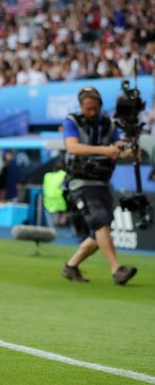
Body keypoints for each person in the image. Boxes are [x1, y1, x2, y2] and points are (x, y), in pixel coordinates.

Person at [61, 86, 137, 285]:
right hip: (80, 181)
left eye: (95, 108)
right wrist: (105, 150)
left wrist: (126, 151)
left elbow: (118, 146)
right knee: (101, 222)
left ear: (100, 106)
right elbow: (72, 147)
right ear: (81, 107)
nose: (92, 112)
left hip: (102, 182)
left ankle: (71, 266)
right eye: (88, 109)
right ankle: (116, 270)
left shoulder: (109, 125)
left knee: (99, 234)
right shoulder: (72, 122)